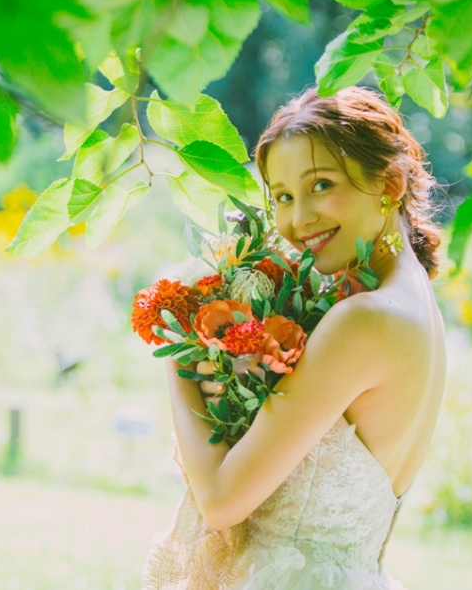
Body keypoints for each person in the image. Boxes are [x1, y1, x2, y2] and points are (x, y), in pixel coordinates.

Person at [141, 86, 447, 589]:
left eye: (321, 185)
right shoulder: (408, 303)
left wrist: (179, 358)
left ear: (390, 184)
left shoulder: (366, 320)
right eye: (283, 196)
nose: (298, 219)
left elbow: (221, 500)